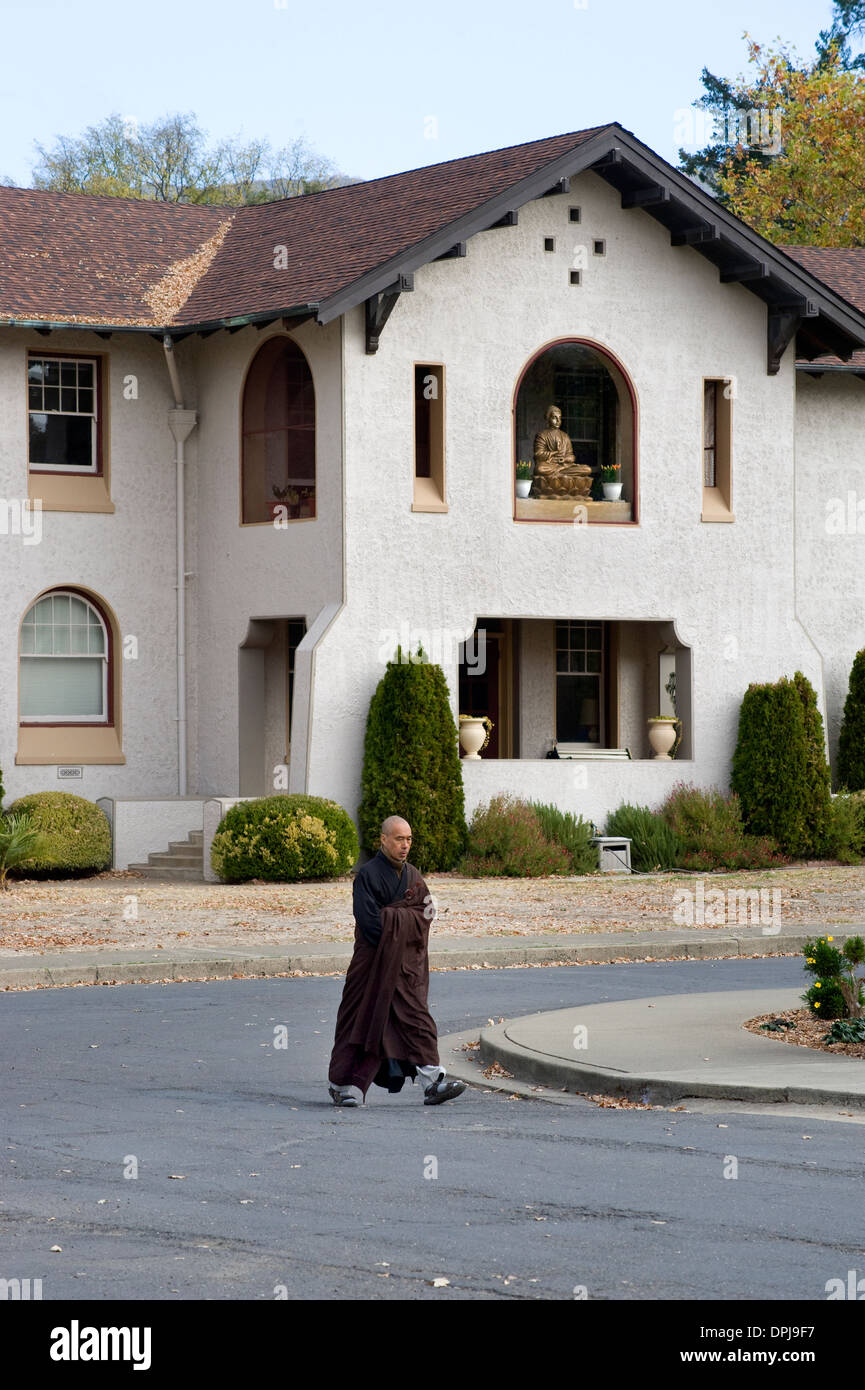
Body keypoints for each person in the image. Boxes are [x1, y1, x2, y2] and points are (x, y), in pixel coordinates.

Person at [327, 815, 466, 1107]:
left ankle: (433, 1081)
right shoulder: (367, 875)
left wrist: (398, 921)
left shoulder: (413, 876)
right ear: (383, 840)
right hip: (373, 967)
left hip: (404, 968)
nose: (405, 846)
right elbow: (369, 923)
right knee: (363, 1023)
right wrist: (403, 920)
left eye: (409, 839)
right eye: (399, 839)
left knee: (417, 1020)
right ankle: (344, 1086)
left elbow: (427, 913)